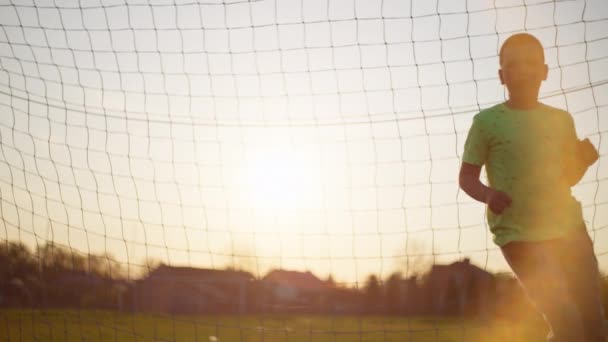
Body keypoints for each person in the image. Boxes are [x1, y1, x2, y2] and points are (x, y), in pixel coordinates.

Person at [459, 32, 606, 341]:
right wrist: (487, 194)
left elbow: (566, 178)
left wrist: (582, 162)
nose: (523, 71)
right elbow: (466, 177)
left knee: (592, 320)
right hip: (518, 235)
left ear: (545, 72)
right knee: (565, 318)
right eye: (513, 65)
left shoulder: (561, 121)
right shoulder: (486, 122)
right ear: (502, 76)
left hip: (568, 229)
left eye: (531, 63)